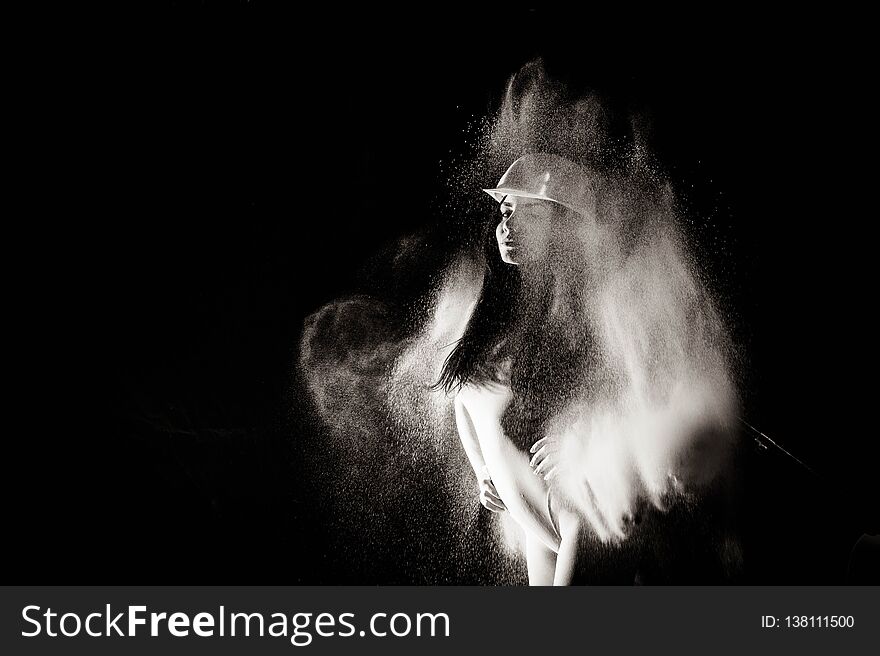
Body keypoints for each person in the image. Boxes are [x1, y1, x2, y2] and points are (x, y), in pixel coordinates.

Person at [436, 153, 613, 585]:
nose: (506, 225)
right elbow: (464, 399)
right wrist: (482, 471)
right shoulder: (496, 318)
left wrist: (580, 442)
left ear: (564, 230)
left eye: (528, 213)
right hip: (541, 525)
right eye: (506, 211)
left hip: (580, 519)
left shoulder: (590, 314)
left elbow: (631, 393)